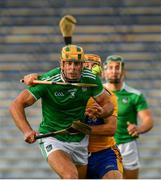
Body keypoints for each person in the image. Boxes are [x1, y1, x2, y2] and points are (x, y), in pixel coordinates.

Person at [9, 44, 114, 179]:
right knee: (70, 176)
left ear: (82, 65)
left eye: (76, 64)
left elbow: (108, 104)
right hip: (52, 137)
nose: (72, 68)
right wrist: (26, 130)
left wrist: (102, 112)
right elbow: (16, 104)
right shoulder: (48, 80)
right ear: (61, 64)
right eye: (68, 63)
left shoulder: (91, 79)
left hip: (80, 140)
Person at [103, 55, 153, 179]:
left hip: (127, 145)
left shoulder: (134, 95)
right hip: (104, 145)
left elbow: (148, 119)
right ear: (104, 72)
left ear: (123, 72)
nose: (114, 71)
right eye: (110, 68)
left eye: (117, 68)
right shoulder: (98, 93)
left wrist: (139, 129)